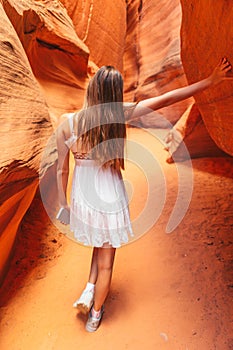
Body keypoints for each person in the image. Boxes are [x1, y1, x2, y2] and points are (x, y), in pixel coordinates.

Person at [55, 57, 232, 332]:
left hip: (83, 198)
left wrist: (65, 205)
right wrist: (210, 81)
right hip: (109, 196)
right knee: (106, 262)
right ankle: (95, 315)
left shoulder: (67, 122)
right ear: (114, 94)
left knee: (96, 241)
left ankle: (89, 290)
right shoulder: (118, 115)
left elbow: (61, 171)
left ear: (92, 89)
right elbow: (168, 97)